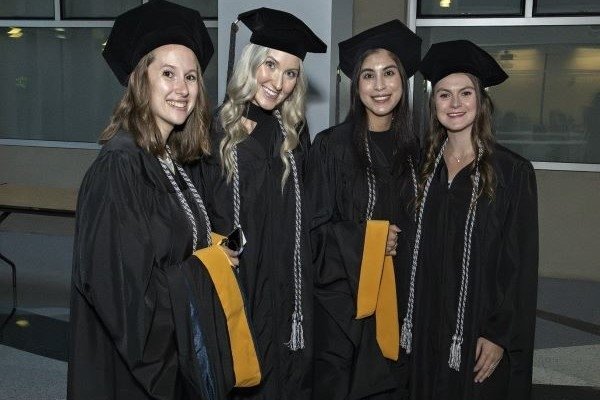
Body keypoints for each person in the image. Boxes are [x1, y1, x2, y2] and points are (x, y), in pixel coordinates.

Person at [67, 1, 260, 399]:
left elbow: (171, 252)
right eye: (168, 73)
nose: (183, 88)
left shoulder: (171, 160)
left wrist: (210, 254)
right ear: (141, 81)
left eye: (191, 76)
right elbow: (124, 298)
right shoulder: (120, 168)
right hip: (132, 373)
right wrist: (205, 272)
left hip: (177, 351)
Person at [195, 7, 326, 400]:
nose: (279, 82)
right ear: (251, 63)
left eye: (290, 73)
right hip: (239, 286)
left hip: (288, 291)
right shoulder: (211, 133)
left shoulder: (294, 136)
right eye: (270, 64)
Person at [403, 40, 539, 399]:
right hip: (425, 324)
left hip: (478, 325)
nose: (456, 104)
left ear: (481, 101)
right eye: (444, 95)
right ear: (433, 104)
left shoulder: (512, 172)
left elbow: (519, 264)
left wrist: (499, 333)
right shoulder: (419, 168)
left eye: (465, 93)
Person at [305, 20, 421, 399]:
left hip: (406, 303)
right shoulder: (330, 147)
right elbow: (313, 232)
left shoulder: (419, 151)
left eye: (389, 73)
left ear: (403, 81)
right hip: (347, 310)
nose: (380, 85)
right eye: (368, 76)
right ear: (356, 87)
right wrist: (368, 240)